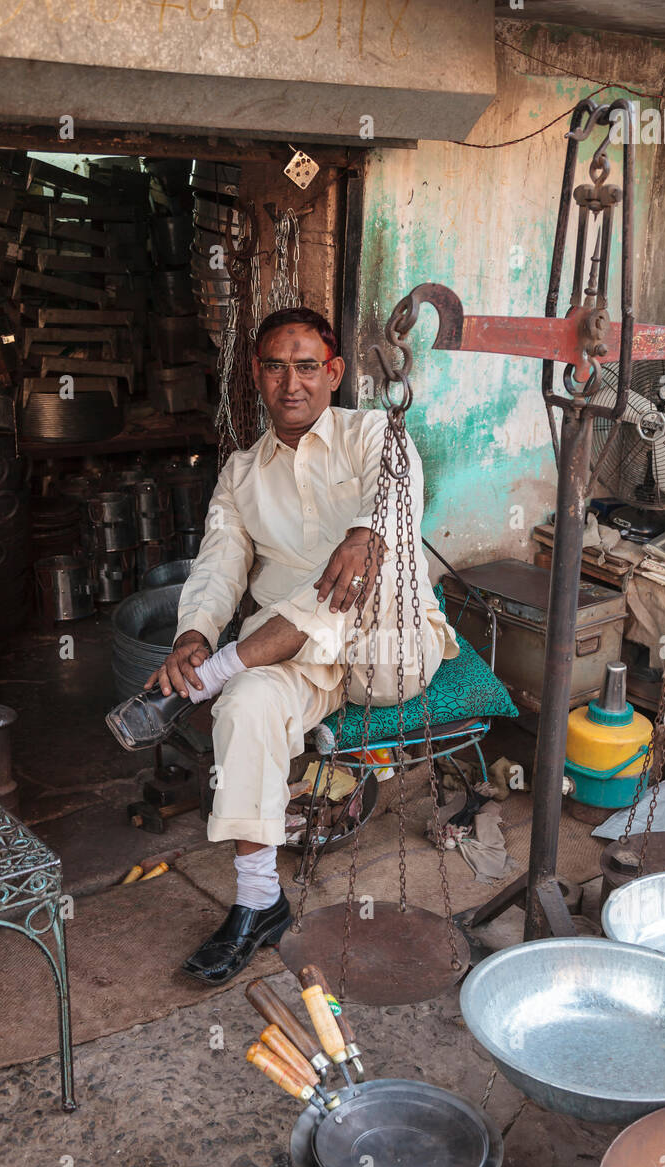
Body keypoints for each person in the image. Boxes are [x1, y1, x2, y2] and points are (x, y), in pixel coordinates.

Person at [144, 307, 458, 985]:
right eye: (277, 366)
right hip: (294, 658)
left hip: (386, 649)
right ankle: (259, 901)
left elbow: (395, 504)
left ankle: (222, 669)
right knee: (246, 706)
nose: (293, 383)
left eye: (308, 366)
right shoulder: (240, 473)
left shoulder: (374, 432)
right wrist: (196, 635)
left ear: (334, 373)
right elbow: (220, 565)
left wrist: (366, 533)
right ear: (257, 375)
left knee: (366, 563)